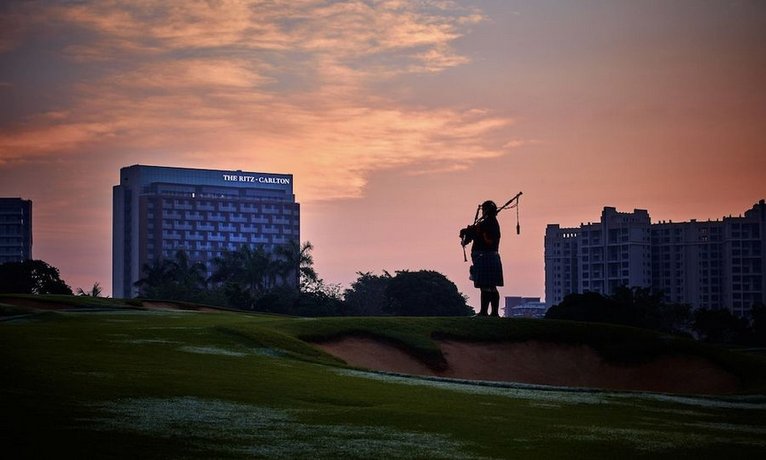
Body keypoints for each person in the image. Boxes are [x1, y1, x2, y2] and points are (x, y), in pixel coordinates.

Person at [459, 200, 504, 316]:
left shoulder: (486, 224)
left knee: (485, 286)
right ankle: (493, 313)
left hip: (484, 257)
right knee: (491, 286)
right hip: (491, 257)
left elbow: (474, 232)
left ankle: (485, 312)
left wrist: (466, 231)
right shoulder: (492, 223)